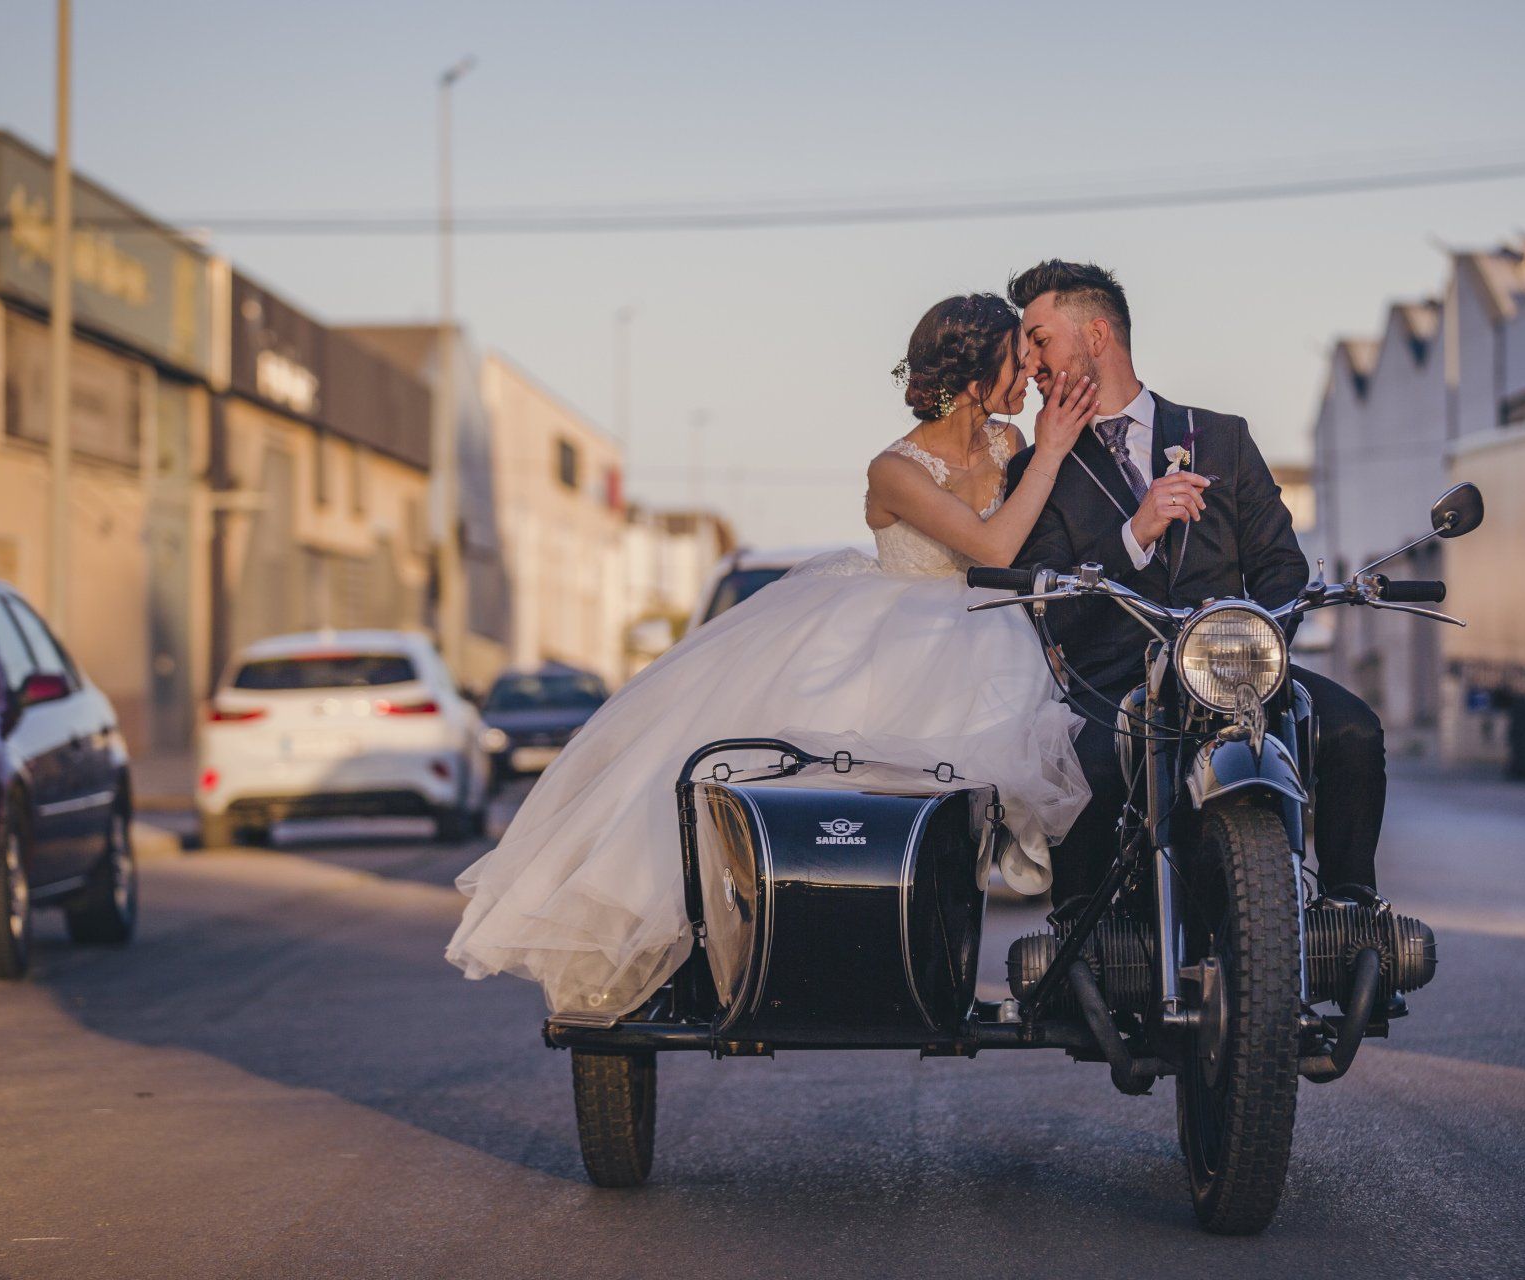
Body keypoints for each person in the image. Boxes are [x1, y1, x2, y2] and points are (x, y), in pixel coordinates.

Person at [447, 293, 1098, 1015]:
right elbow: (994, 547)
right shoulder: (896, 469)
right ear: (977, 372)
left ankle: (977, 948)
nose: (1030, 368)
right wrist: (1057, 447)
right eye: (1018, 355)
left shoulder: (1008, 445)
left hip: (986, 630)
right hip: (895, 638)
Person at [1003, 259, 1387, 906]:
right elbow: (1049, 605)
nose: (1030, 363)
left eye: (1039, 340)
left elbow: (1280, 566)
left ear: (1097, 335)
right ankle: (1082, 964)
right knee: (1083, 773)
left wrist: (1252, 647)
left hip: (1236, 671)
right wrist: (1137, 532)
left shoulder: (1221, 437)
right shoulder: (1036, 472)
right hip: (1116, 686)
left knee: (1354, 731)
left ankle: (1352, 925)